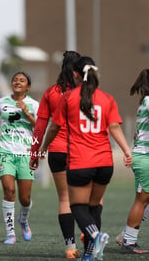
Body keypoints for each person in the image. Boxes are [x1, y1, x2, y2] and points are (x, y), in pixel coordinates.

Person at [38, 56, 132, 261]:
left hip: (81, 161)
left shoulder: (69, 97)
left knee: (77, 207)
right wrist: (126, 150)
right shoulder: (107, 98)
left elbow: (54, 126)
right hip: (105, 162)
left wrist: (43, 146)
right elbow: (114, 126)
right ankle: (89, 254)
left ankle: (96, 236)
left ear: (75, 74)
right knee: (95, 207)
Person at [29, 50, 81, 259]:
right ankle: (89, 234)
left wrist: (34, 153)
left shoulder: (51, 92)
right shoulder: (86, 92)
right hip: (82, 151)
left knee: (64, 199)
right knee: (93, 198)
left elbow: (40, 127)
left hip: (57, 151)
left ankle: (70, 247)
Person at [0, 71, 39, 245]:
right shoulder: (2, 102)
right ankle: (10, 234)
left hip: (26, 154)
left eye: (22, 80)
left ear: (28, 86)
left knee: (25, 198)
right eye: (15, 80)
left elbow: (40, 127)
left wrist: (26, 113)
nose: (17, 82)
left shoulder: (33, 104)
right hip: (6, 152)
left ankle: (23, 220)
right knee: (9, 191)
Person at [117, 69, 149, 254]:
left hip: (142, 156)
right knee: (141, 201)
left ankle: (126, 236)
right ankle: (128, 241)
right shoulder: (148, 101)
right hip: (145, 157)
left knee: (144, 200)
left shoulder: (145, 101)